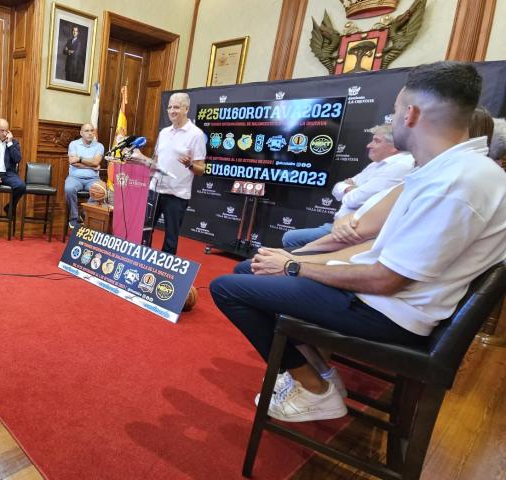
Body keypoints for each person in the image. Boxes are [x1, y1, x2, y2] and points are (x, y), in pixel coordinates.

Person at [210, 61, 506, 423]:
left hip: (388, 312)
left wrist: (293, 266)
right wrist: (296, 259)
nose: (391, 119)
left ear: (410, 114)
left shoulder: (456, 184)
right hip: (385, 298)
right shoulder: (450, 171)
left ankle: (315, 390)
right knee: (249, 269)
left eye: (394, 111)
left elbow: (387, 279)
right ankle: (320, 372)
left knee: (227, 288)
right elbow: (372, 247)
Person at [282, 124, 414, 250]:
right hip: (338, 224)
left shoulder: (401, 165)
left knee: (290, 238)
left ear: (395, 146)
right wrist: (350, 188)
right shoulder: (375, 165)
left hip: (353, 231)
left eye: (376, 141)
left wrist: (351, 188)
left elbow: (354, 199)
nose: (369, 145)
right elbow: (338, 188)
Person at [138, 92, 206, 254]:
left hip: (177, 194)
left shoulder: (196, 134)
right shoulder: (164, 132)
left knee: (171, 238)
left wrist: (190, 164)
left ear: (186, 109)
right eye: (169, 107)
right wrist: (141, 159)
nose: (172, 111)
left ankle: (162, 275)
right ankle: (141, 262)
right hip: (155, 190)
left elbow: (201, 169)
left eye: (176, 107)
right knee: (144, 230)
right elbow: (158, 161)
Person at [65, 123, 104, 228]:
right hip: (74, 177)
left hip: (93, 179)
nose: (90, 133)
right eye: (87, 131)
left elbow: (96, 162)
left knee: (100, 190)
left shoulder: (99, 146)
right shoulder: (73, 144)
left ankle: (83, 214)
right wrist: (91, 166)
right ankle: (74, 218)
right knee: (68, 189)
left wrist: (80, 159)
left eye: (92, 131)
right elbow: (73, 162)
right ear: (81, 133)